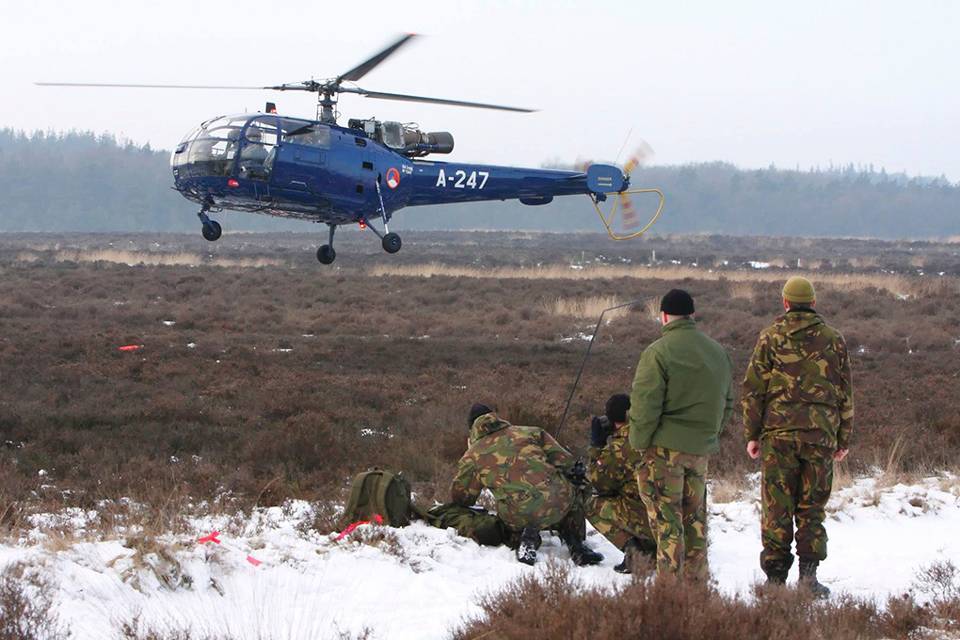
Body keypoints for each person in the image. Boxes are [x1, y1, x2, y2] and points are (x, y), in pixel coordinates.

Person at [742, 276, 853, 597]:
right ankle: (809, 578)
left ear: (785, 303)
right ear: (813, 303)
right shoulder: (834, 339)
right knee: (812, 507)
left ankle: (775, 579)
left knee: (776, 508)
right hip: (820, 437)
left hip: (778, 437)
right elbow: (845, 393)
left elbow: (754, 390)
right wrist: (843, 438)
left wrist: (752, 434)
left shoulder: (770, 337)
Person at [629, 289, 734, 580]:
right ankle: (696, 589)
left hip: (663, 451)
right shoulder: (717, 352)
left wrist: (639, 443)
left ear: (663, 316)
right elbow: (727, 402)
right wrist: (708, 435)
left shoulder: (657, 352)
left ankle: (670, 591)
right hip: (700, 451)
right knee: (695, 521)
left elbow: (645, 406)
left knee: (668, 522)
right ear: (692, 315)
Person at [451, 403, 603, 567]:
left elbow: (461, 498)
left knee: (510, 514)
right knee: (573, 487)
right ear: (496, 418)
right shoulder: (531, 432)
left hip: (518, 515)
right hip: (559, 504)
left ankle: (525, 537)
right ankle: (575, 541)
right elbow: (567, 463)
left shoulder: (472, 455)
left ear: (472, 429)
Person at [585, 393, 657, 573]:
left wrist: (597, 446)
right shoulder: (654, 432)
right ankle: (653, 547)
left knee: (591, 504)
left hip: (649, 519)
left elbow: (598, 483)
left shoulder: (619, 448)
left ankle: (635, 552)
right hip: (675, 517)